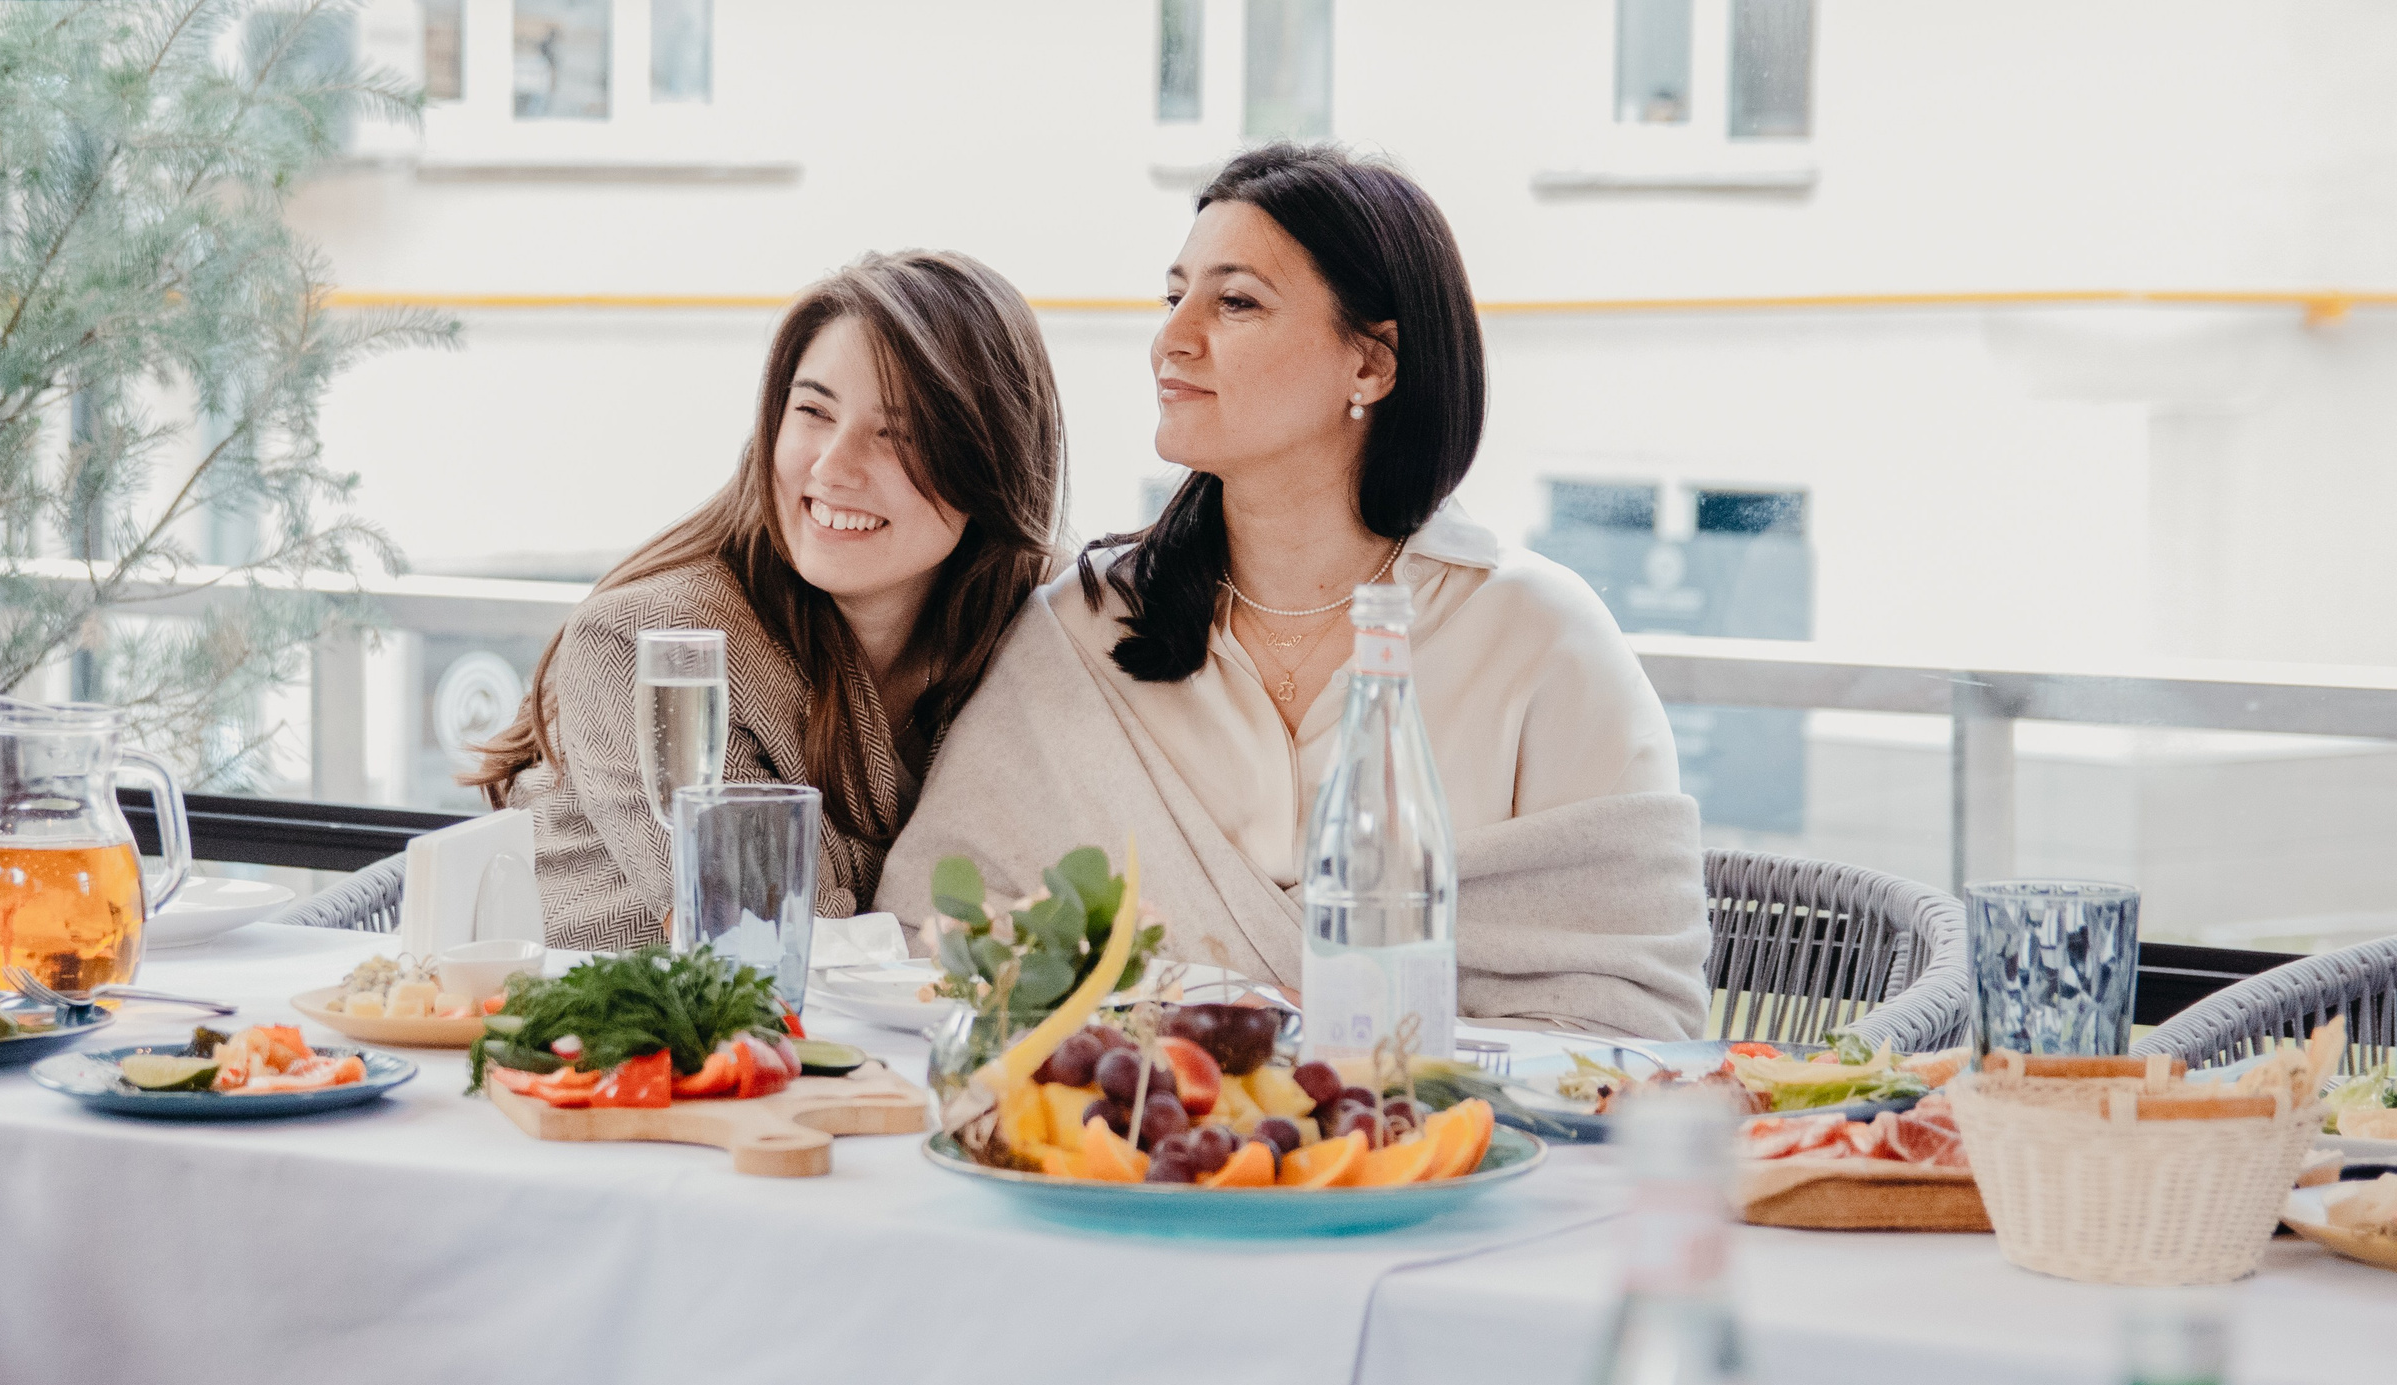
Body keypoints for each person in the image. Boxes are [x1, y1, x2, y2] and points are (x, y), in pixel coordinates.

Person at [879, 145, 1710, 1039]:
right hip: (1124, 1155)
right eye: (1174, 296)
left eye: (1235, 302)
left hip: (1444, 1163)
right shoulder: (1079, 632)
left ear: (1372, 366)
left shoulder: (1541, 639)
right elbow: (930, 938)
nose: (1173, 338)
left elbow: (1631, 1021)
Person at [465, 252, 1064, 949]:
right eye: (812, 410)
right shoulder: (650, 644)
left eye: (896, 433)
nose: (833, 467)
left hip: (858, 1053)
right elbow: (755, 942)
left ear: (992, 463)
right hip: (605, 1045)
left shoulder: (1025, 634)